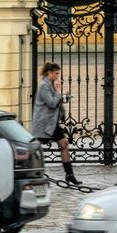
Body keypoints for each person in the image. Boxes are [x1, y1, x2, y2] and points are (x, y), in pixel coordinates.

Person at [32, 62, 90, 191]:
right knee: (36, 148)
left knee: (63, 144)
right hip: (45, 124)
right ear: (49, 73)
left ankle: (69, 175)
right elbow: (52, 103)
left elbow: (55, 100)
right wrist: (58, 91)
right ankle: (34, 173)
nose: (58, 76)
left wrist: (65, 97)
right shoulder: (44, 86)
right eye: (56, 73)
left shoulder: (50, 85)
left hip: (52, 123)